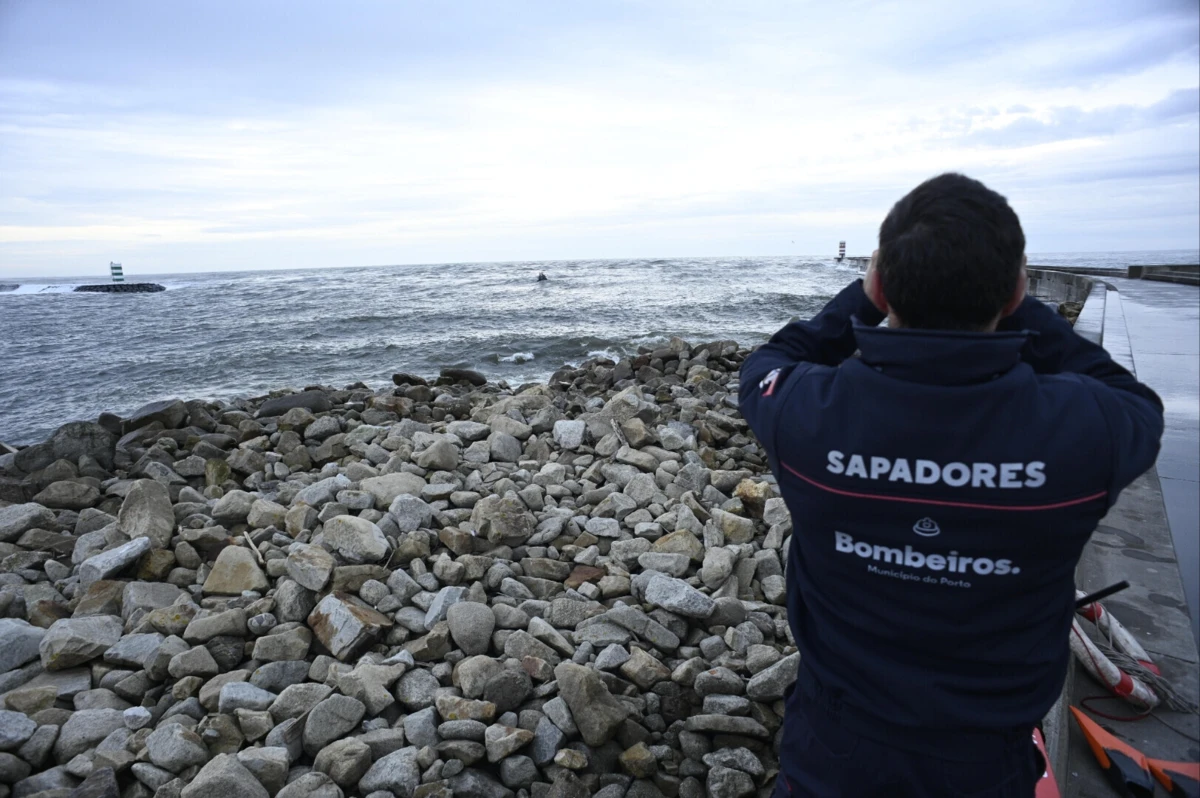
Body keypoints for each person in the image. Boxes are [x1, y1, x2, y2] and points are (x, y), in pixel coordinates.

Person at [739, 173, 1163, 797]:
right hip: (985, 760)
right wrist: (1022, 310)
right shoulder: (1085, 431)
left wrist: (859, 301)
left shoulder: (805, 413)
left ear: (880, 286)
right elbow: (1134, 401)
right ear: (1017, 288)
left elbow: (770, 363)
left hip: (833, 749)